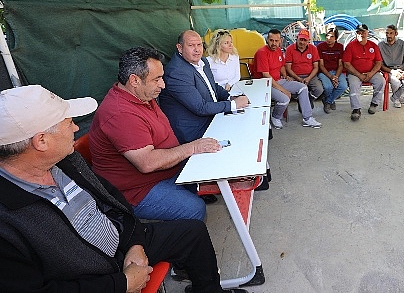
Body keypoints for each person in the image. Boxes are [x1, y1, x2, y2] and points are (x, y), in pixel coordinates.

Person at [0, 85, 247, 293]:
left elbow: (113, 202)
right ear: (41, 141)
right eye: (69, 123)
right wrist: (122, 283)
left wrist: (135, 243)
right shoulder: (7, 220)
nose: (76, 128)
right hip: (94, 279)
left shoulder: (65, 161)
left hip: (121, 244)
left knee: (192, 232)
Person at [90, 47, 222, 222]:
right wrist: (193, 147)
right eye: (157, 79)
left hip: (164, 173)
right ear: (134, 80)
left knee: (209, 173)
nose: (163, 85)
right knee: (195, 209)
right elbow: (147, 163)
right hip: (137, 190)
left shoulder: (141, 96)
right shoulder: (120, 113)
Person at [159, 30, 249, 144]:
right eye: (191, 45)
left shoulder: (203, 61)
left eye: (199, 44)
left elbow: (212, 86)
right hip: (194, 131)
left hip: (211, 116)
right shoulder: (177, 72)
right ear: (180, 48)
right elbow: (200, 107)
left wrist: (230, 97)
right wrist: (234, 104)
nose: (197, 49)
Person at [252, 28, 321, 129]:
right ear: (267, 40)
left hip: (279, 80)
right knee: (285, 98)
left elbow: (282, 66)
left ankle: (307, 118)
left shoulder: (279, 50)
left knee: (303, 88)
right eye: (271, 40)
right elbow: (266, 75)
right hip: (265, 83)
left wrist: (285, 75)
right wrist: (284, 90)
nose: (274, 43)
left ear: (281, 41)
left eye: (276, 41)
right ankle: (275, 117)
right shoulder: (262, 52)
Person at [342, 23, 385, 121]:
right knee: (353, 85)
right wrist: (359, 75)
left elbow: (379, 62)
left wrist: (371, 73)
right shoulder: (350, 46)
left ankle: (374, 103)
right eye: (358, 32)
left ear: (367, 33)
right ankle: (356, 109)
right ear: (356, 33)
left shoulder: (373, 45)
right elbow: (347, 64)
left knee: (381, 81)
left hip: (371, 72)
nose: (361, 34)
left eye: (363, 32)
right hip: (355, 73)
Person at [379, 24, 404, 108]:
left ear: (396, 34)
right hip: (389, 69)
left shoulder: (403, 44)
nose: (388, 35)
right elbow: (379, 64)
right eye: (387, 33)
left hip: (402, 68)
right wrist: (393, 72)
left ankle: (395, 97)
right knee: (396, 82)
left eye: (391, 33)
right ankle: (397, 99)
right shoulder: (380, 45)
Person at [284, 28, 324, 105]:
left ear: (308, 41)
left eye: (305, 40)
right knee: (290, 89)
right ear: (297, 38)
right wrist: (298, 78)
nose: (302, 42)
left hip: (311, 76)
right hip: (295, 76)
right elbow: (288, 68)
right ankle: (301, 100)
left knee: (319, 89)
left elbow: (316, 67)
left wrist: (309, 78)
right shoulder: (290, 49)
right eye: (300, 39)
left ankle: (308, 100)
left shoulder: (313, 49)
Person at [317, 25, 348, 114]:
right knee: (328, 87)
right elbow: (321, 65)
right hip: (324, 72)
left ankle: (328, 101)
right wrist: (331, 77)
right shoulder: (320, 47)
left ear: (336, 38)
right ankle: (330, 100)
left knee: (343, 86)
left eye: (332, 36)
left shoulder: (340, 47)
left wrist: (336, 77)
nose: (329, 39)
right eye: (327, 36)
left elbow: (340, 65)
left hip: (336, 71)